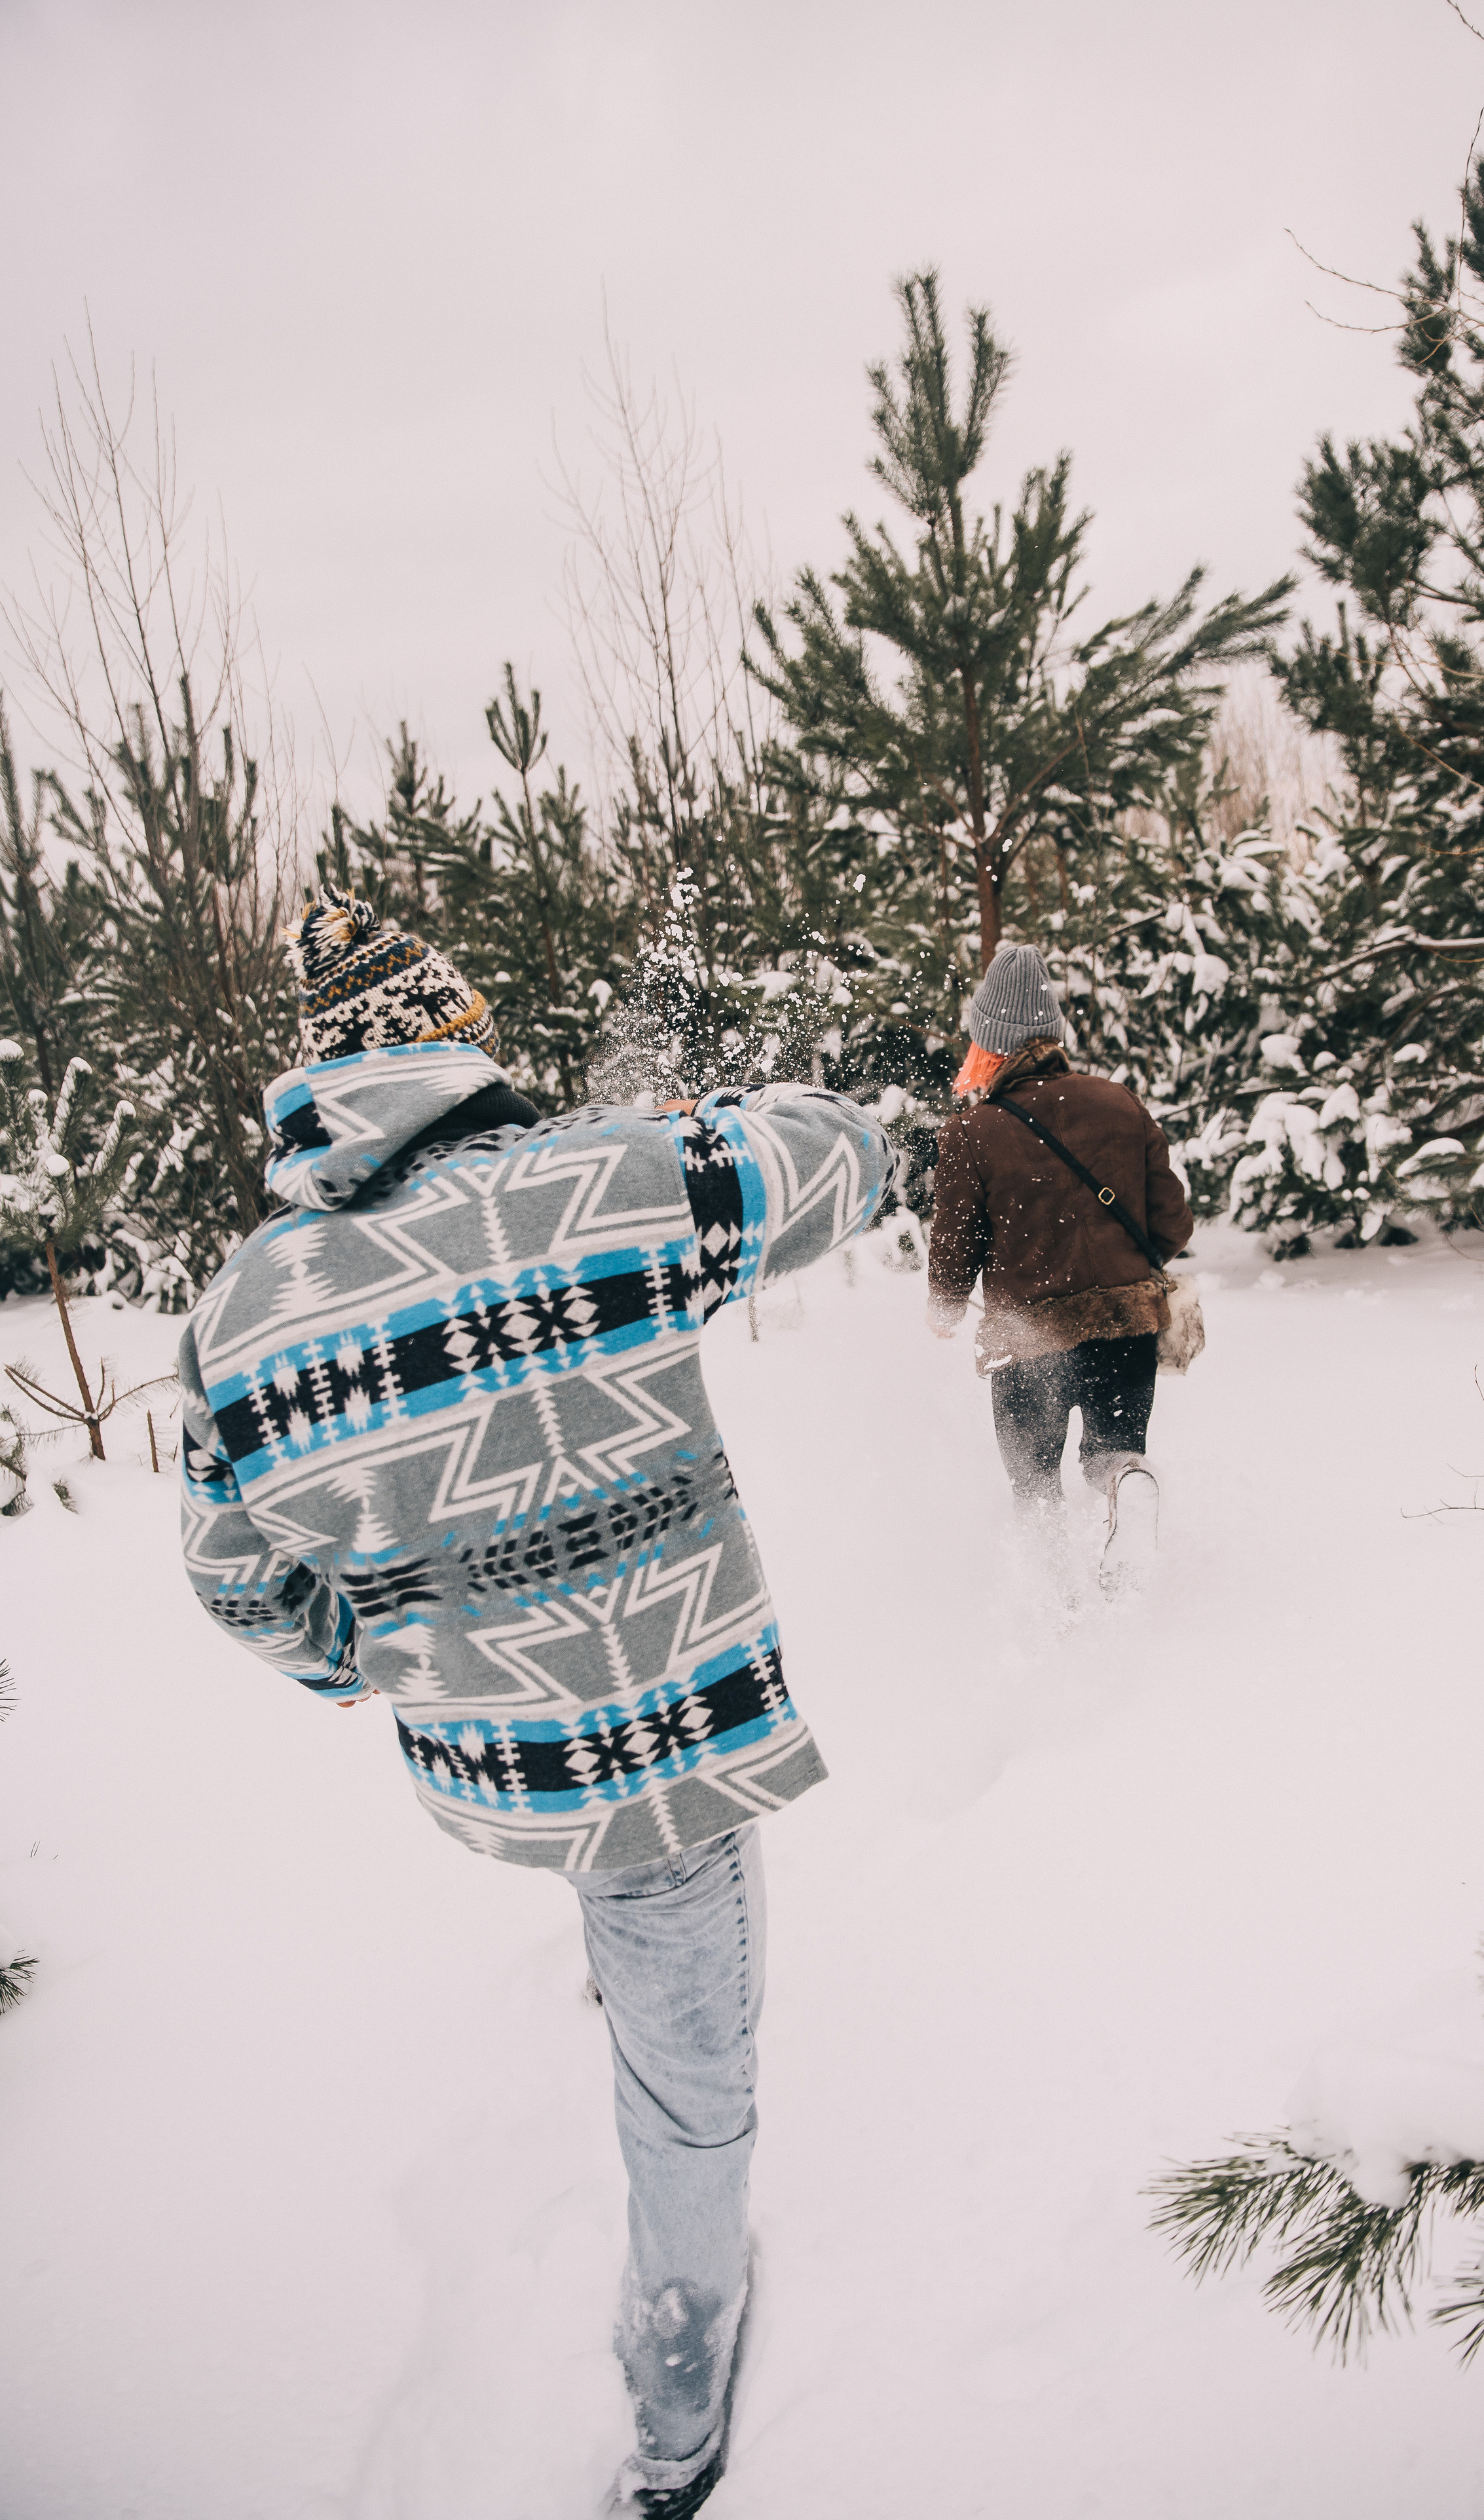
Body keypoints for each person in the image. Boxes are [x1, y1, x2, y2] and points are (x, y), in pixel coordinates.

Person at [175, 887, 897, 2519]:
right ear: (455, 1049)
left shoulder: (238, 1308)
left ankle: (609, 1986)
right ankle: (675, 2423)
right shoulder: (597, 1181)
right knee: (691, 2092)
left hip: (489, 1755)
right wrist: (654, 1126)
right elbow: (842, 1144)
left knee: (614, 1905)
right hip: (656, 1749)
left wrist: (372, 1655)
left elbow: (234, 1577)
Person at [925, 942, 1193, 1591]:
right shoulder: (1120, 1104)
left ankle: (1054, 1604)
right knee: (1113, 1453)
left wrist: (945, 1304)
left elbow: (955, 1242)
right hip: (1124, 1325)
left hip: (1027, 1343)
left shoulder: (972, 1132)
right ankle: (1128, 1493)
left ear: (990, 1044)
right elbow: (1173, 1225)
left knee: (1034, 1481)